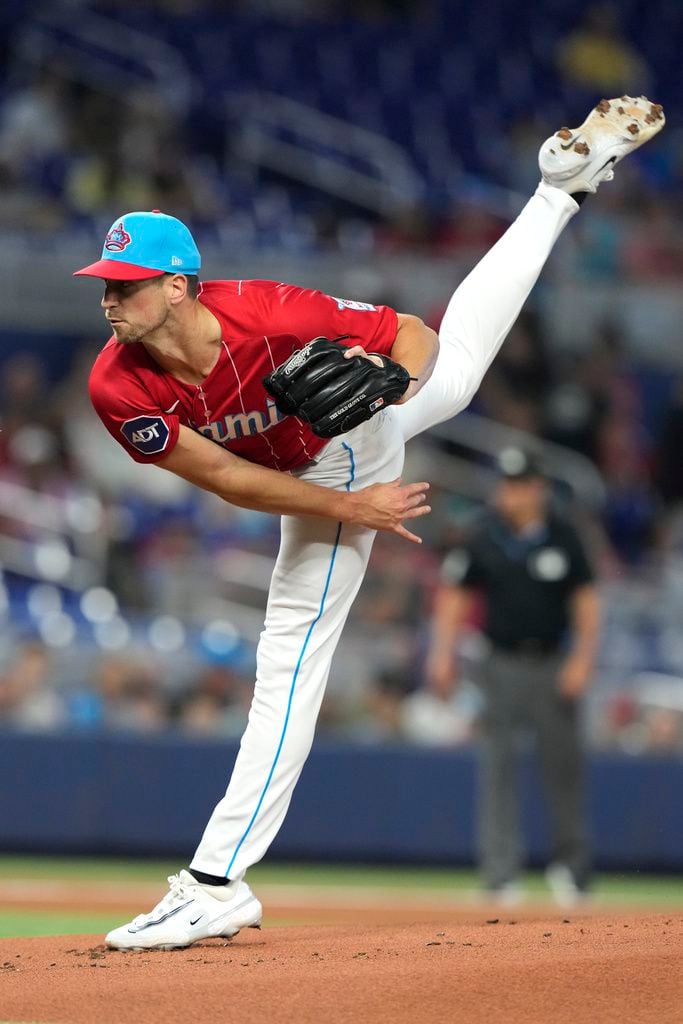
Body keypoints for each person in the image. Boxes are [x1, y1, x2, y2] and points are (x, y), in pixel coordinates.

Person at [73, 96, 662, 949]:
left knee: (290, 651)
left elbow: (411, 335)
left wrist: (392, 389)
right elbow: (226, 478)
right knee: (460, 379)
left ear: (175, 285)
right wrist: (349, 508)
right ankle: (556, 192)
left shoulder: (272, 314)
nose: (109, 299)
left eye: (124, 285)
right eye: (106, 285)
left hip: (338, 445)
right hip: (309, 472)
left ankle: (214, 881)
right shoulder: (115, 383)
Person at [427, 447, 601, 905]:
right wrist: (441, 654)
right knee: (497, 768)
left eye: (519, 484)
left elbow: (585, 602)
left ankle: (572, 870)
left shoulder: (564, 537)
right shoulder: (484, 536)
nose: (510, 493)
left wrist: (583, 659)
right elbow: (455, 596)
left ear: (538, 488)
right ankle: (500, 873)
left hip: (551, 663)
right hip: (499, 663)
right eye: (505, 484)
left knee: (563, 769)